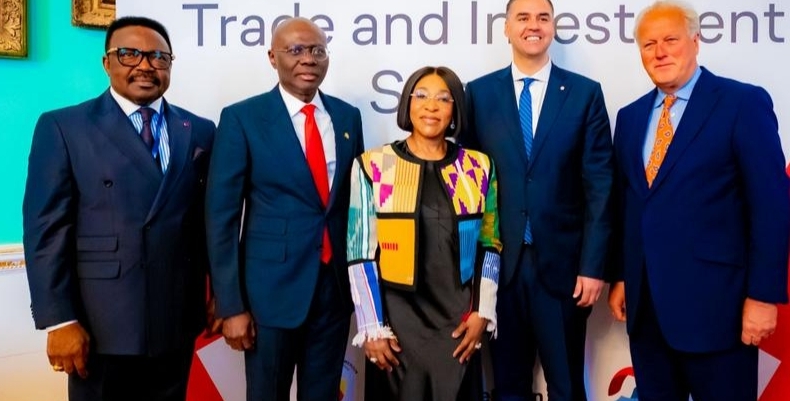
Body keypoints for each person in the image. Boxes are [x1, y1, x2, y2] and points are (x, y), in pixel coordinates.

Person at [22, 16, 216, 401]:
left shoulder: (199, 129)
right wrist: (59, 320)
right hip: (100, 325)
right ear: (107, 62)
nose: (145, 65)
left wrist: (221, 296)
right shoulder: (65, 126)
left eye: (158, 57)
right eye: (129, 54)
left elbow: (207, 224)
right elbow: (45, 229)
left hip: (175, 320)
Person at [607, 1, 790, 400]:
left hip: (719, 312)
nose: (660, 52)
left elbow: (772, 207)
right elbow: (628, 206)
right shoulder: (630, 117)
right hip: (648, 313)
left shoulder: (742, 104)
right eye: (649, 44)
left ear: (695, 41)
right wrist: (622, 275)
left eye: (670, 40)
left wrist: (763, 296)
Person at [458, 0, 614, 399]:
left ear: (553, 27)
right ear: (506, 28)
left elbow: (599, 186)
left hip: (564, 269)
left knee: (566, 385)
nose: (534, 25)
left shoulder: (584, 93)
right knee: (508, 385)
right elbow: (467, 186)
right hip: (498, 268)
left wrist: (593, 266)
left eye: (543, 18)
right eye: (523, 18)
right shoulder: (478, 94)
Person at [204, 17, 365, 401]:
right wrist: (230, 305)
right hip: (269, 295)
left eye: (317, 50)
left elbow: (354, 206)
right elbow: (221, 217)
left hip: (333, 292)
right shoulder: (242, 118)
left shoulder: (347, 117)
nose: (308, 59)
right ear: (272, 57)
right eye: (295, 50)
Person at [346, 66, 501, 401]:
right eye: (422, 96)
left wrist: (482, 312)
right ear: (408, 103)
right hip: (396, 326)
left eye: (444, 99)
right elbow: (359, 253)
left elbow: (490, 244)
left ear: (455, 109)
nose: (432, 106)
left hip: (458, 324)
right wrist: (372, 327)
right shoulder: (373, 165)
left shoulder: (478, 166)